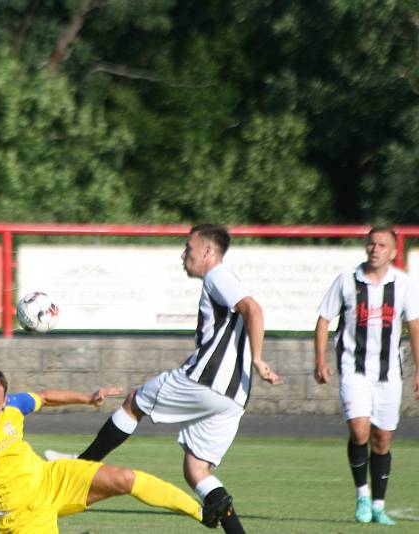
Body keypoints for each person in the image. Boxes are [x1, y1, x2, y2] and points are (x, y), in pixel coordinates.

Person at [45, 223, 282, 534]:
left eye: (189, 247)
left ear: (208, 252)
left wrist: (258, 358)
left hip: (205, 382)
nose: (184, 254)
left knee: (133, 403)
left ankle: (81, 465)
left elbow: (253, 308)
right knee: (197, 471)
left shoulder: (217, 275)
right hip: (233, 396)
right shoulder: (225, 278)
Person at [0, 367, 233, 532]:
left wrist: (89, 398)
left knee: (126, 478)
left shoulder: (15, 407)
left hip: (52, 479)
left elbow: (46, 397)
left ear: (4, 401)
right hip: (19, 516)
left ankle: (203, 515)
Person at [314, 225, 419, 526]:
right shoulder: (348, 281)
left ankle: (378, 505)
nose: (375, 249)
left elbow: (414, 326)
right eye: (371, 244)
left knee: (382, 439)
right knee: (360, 431)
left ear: (393, 252)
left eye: (382, 245)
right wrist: (320, 361)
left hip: (389, 374)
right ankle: (362, 495)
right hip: (353, 369)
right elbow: (323, 320)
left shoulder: (404, 284)